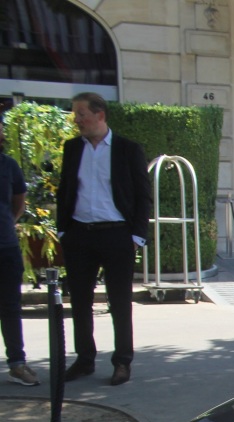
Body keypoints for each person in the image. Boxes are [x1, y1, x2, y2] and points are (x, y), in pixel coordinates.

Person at [56, 92, 151, 387]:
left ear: (100, 115)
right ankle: (85, 359)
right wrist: (63, 231)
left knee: (120, 302)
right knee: (80, 301)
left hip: (116, 234)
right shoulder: (73, 149)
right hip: (79, 234)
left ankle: (122, 361)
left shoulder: (127, 149)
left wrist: (136, 236)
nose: (77, 120)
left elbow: (142, 195)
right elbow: (64, 190)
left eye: (81, 114)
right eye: (75, 114)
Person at [1, 136, 36, 386]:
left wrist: (7, 223)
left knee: (10, 307)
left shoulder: (9, 165)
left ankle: (17, 363)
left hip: (5, 245)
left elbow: (18, 203)